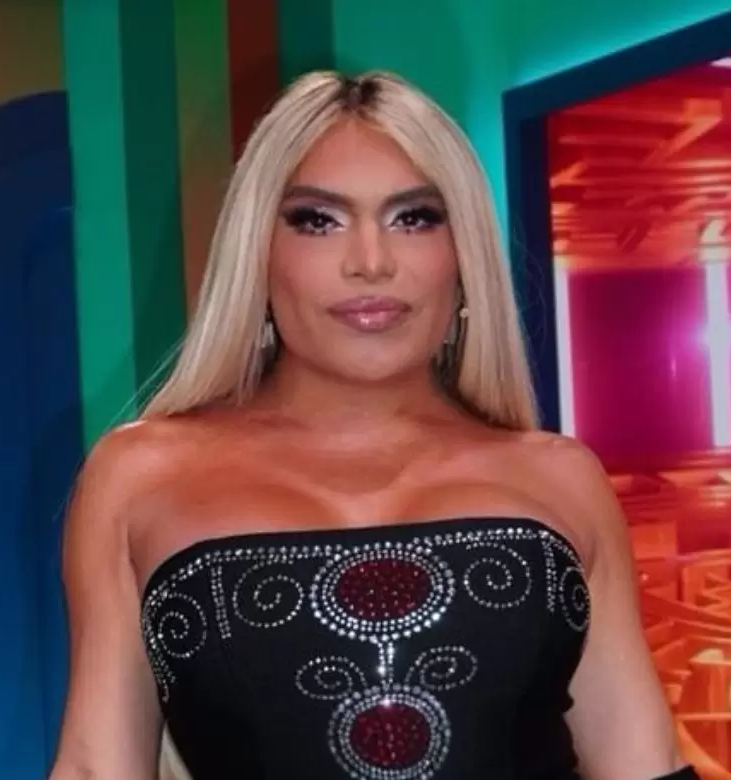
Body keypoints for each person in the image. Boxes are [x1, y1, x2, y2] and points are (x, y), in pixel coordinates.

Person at [48, 70, 693, 780]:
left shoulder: (560, 477)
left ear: (463, 253)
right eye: (318, 220)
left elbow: (643, 763)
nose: (371, 263)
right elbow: (93, 767)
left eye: (413, 218)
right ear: (256, 254)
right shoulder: (141, 476)